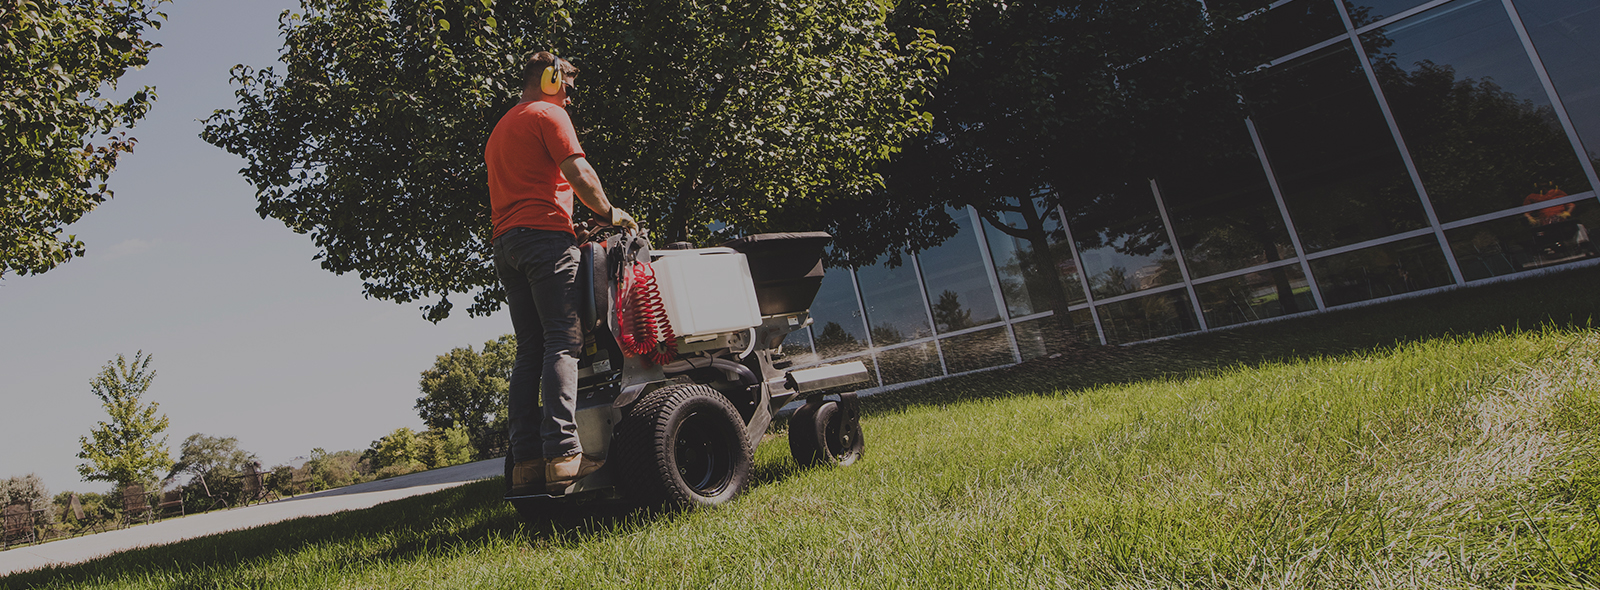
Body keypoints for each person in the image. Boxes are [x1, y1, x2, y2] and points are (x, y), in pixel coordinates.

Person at [486, 51, 636, 495]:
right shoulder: (548, 114)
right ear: (550, 80)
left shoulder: (500, 128)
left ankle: (527, 462)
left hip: (507, 245)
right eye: (567, 88)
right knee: (563, 342)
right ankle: (565, 453)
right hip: (543, 241)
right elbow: (578, 172)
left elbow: (528, 189)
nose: (570, 99)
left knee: (529, 351)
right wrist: (610, 212)